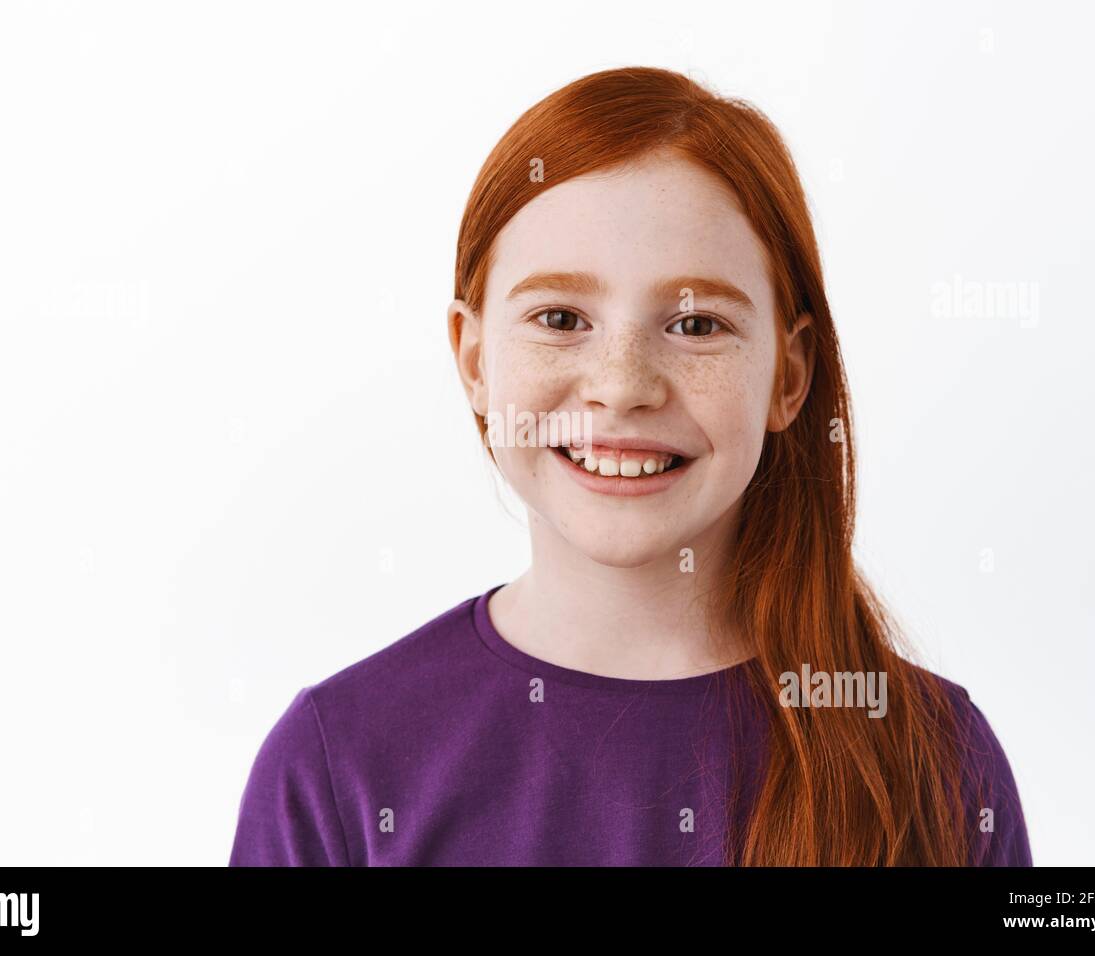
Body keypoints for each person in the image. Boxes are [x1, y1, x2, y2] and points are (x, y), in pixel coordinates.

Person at [228, 65, 1032, 866]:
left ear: (789, 377)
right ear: (475, 361)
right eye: (560, 317)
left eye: (696, 325)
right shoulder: (336, 767)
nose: (622, 386)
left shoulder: (938, 764)